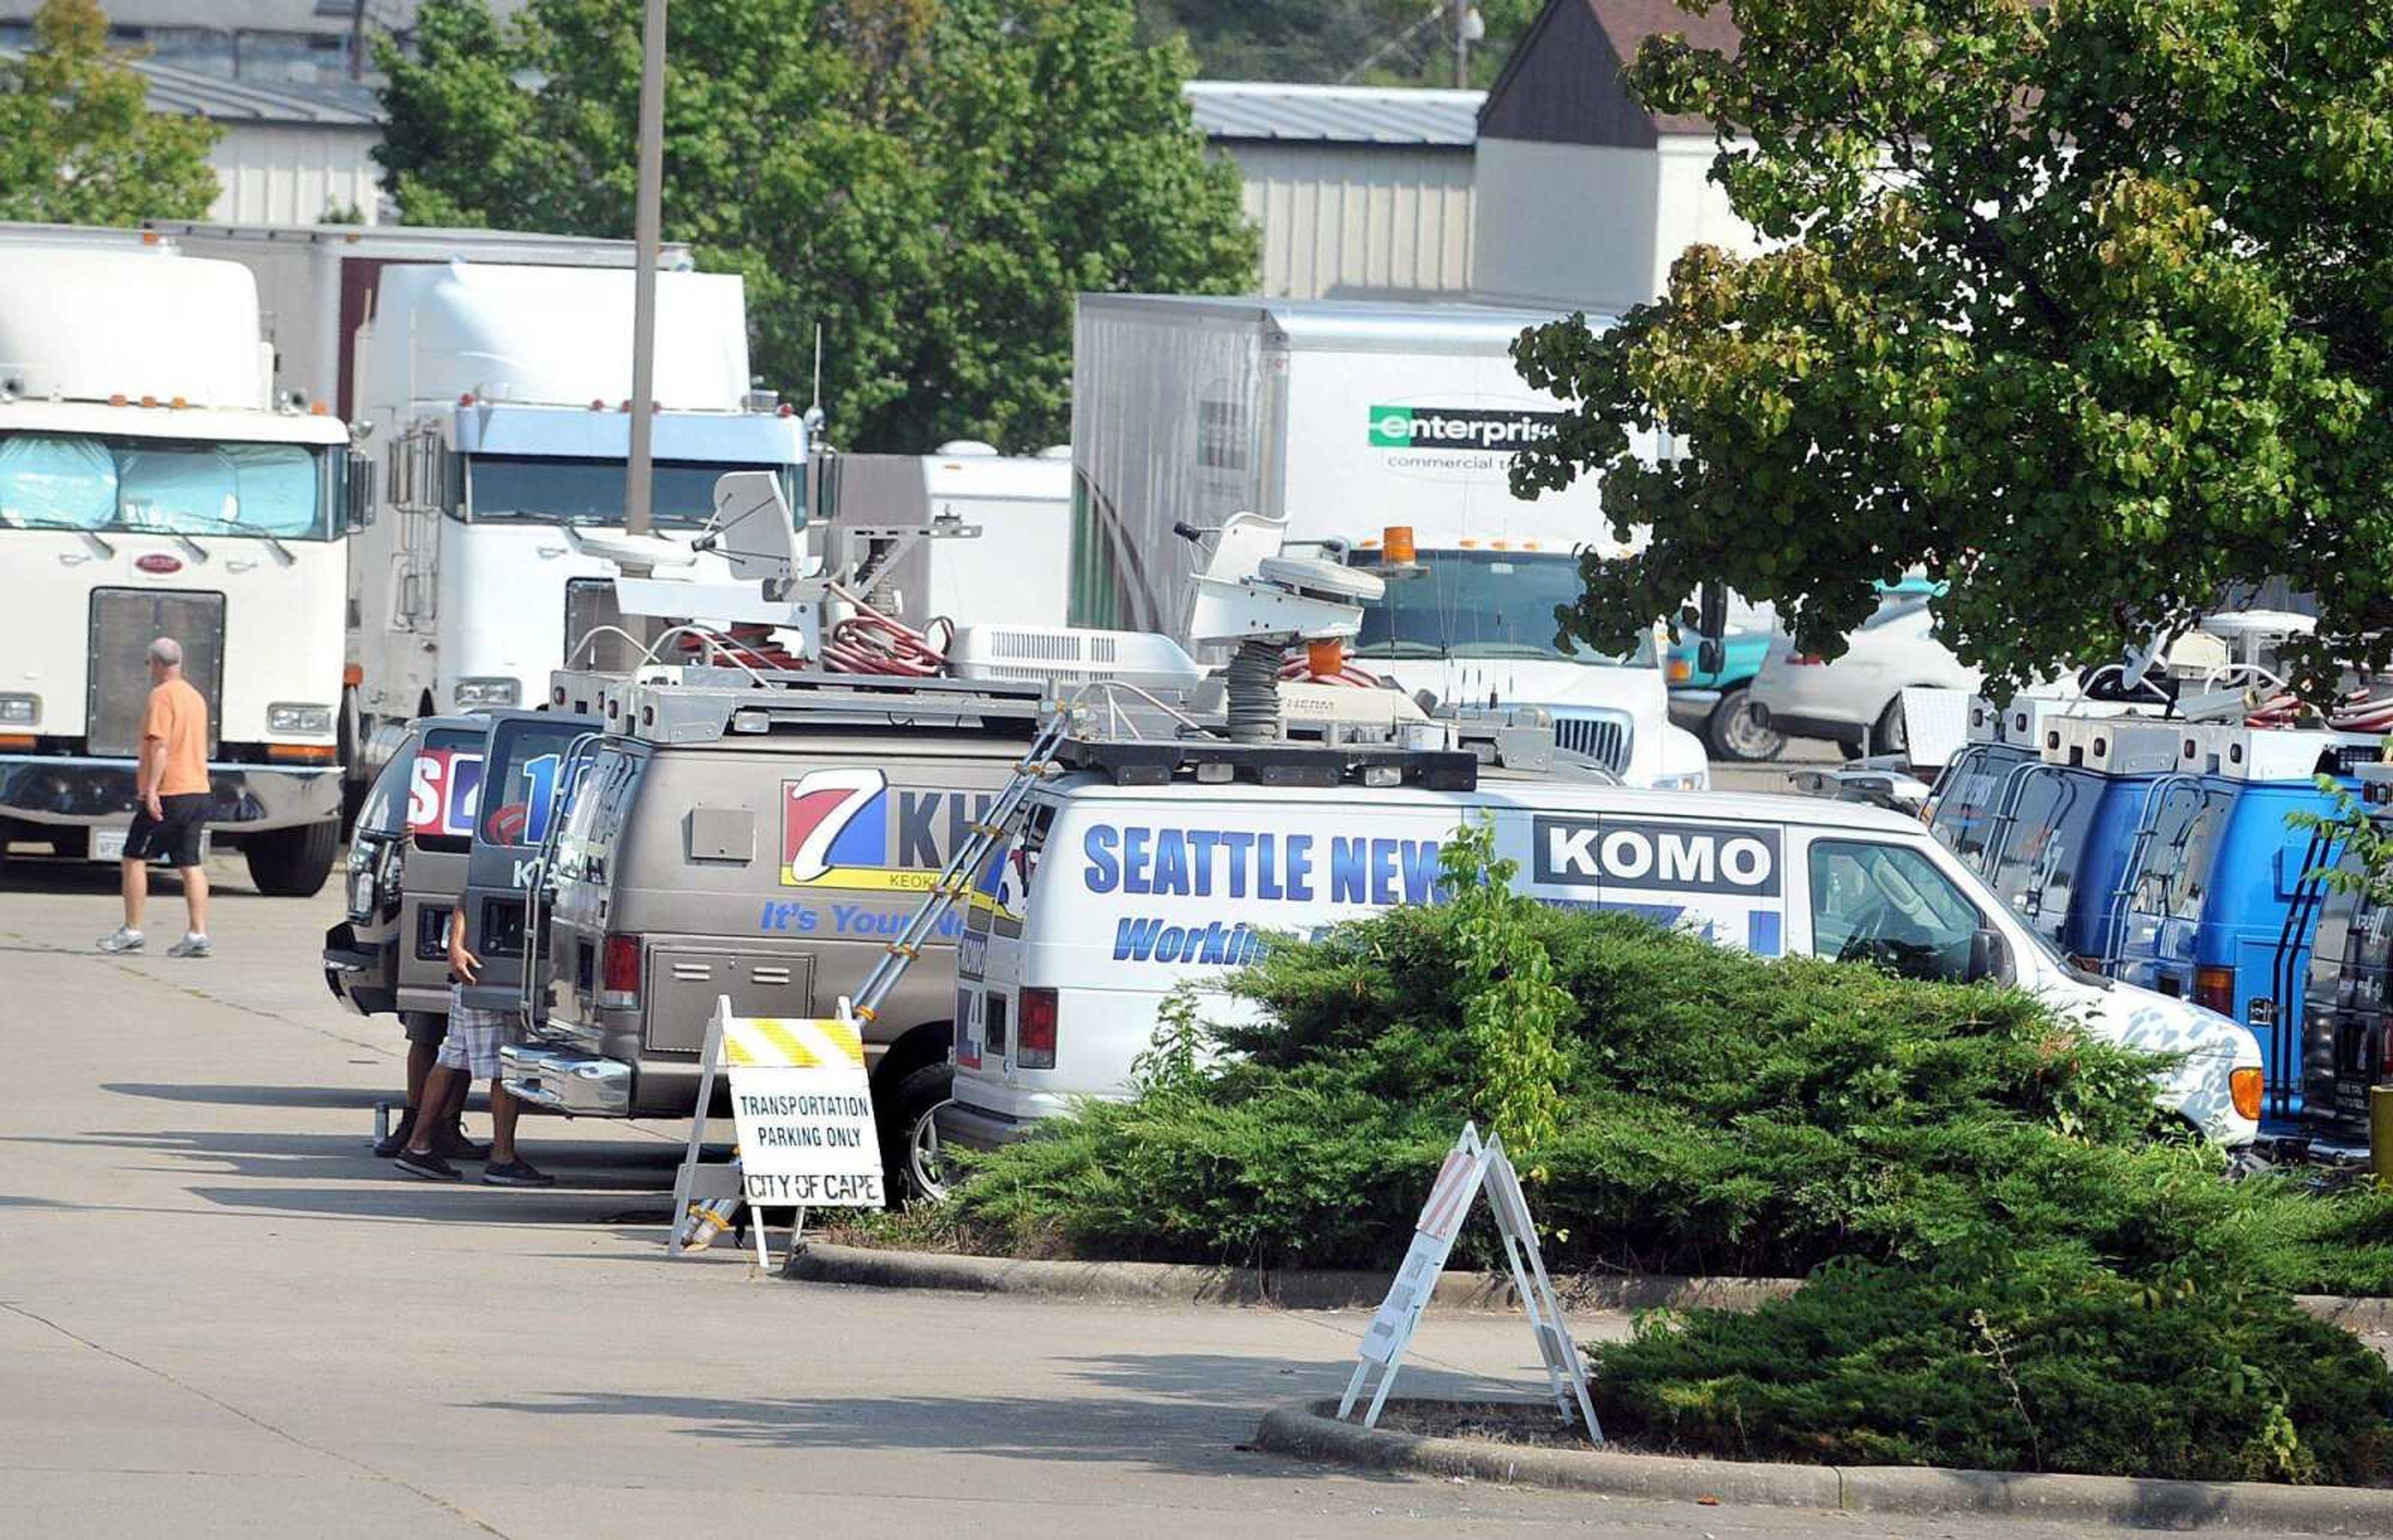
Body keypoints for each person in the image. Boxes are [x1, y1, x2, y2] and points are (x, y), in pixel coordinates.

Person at [394, 905, 553, 1187]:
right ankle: (502, 1158)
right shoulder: (516, 860)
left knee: (454, 1055)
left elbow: (466, 898)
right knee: (505, 1064)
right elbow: (467, 899)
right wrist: (456, 947)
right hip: (493, 972)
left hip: (474, 969)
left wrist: (455, 948)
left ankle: (418, 1146)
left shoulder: (499, 860)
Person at [98, 637, 212, 958]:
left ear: (157, 664)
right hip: (198, 789)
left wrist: (151, 790)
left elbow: (159, 746)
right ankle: (198, 933)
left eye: (149, 664)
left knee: (133, 858)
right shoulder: (195, 697)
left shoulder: (161, 697)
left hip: (170, 791)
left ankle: (132, 930)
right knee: (190, 863)